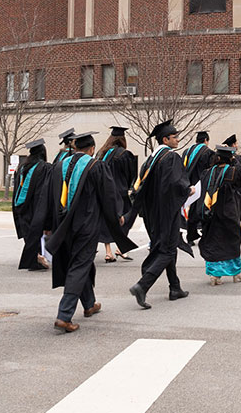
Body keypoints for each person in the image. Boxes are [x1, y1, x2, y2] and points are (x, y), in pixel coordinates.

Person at [46, 131, 137, 332]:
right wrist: (116, 215)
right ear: (92, 149)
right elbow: (108, 195)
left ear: (76, 148)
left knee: (81, 261)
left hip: (63, 225)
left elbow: (48, 196)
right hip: (86, 225)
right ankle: (64, 315)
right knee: (80, 264)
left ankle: (89, 304)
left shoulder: (60, 166)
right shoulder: (96, 166)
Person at [127, 120, 193, 310]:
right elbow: (175, 183)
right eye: (175, 137)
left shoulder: (150, 159)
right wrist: (187, 190)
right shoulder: (170, 158)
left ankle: (175, 287)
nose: (178, 140)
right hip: (167, 212)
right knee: (169, 249)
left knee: (166, 247)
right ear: (165, 139)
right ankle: (143, 285)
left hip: (152, 214)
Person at [198, 146, 241, 285]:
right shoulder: (233, 172)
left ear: (217, 158)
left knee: (213, 241)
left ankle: (215, 275)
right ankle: (236, 273)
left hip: (211, 213)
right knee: (232, 241)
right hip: (228, 212)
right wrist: (235, 160)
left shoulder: (206, 173)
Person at [96, 126, 138, 262]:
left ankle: (108, 252)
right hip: (120, 193)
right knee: (126, 218)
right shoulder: (125, 154)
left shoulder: (101, 153)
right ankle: (121, 248)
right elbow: (131, 175)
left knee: (107, 220)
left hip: (105, 192)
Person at [12, 138, 52, 271]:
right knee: (35, 233)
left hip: (21, 205)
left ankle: (36, 257)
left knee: (30, 233)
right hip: (35, 205)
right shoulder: (44, 167)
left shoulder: (23, 166)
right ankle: (36, 258)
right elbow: (43, 189)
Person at [183, 131, 215, 245]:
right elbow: (211, 171)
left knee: (192, 211)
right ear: (206, 140)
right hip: (203, 185)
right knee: (203, 210)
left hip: (190, 186)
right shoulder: (208, 152)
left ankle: (190, 237)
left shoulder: (187, 152)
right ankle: (206, 236)